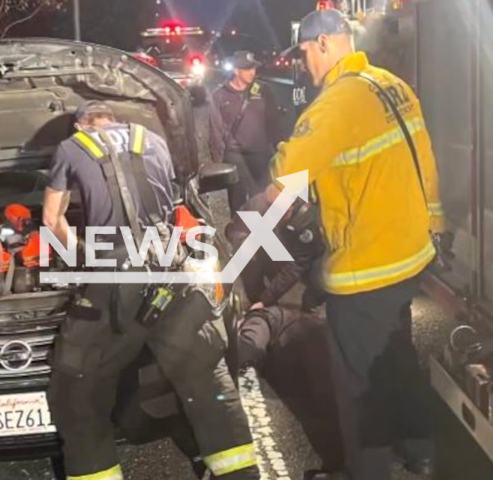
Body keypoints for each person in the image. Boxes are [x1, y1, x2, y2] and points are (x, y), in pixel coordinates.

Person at [269, 9, 446, 480]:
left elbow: (287, 177)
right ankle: (419, 450)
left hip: (366, 263)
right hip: (410, 252)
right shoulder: (392, 85)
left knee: (356, 378)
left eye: (304, 52)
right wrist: (433, 221)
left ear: (324, 44)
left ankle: (366, 470)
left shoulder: (333, 104)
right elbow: (424, 157)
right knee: (396, 356)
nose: (303, 63)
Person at [43, 100, 260, 480]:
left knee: (79, 390)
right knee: (205, 376)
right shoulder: (154, 139)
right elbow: (173, 203)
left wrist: (80, 255)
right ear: (114, 120)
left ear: (81, 126)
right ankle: (240, 474)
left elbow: (51, 219)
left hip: (116, 276)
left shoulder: (71, 148)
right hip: (172, 270)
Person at [226, 194, 344, 480]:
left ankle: (342, 466)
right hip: (302, 337)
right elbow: (236, 233)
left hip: (307, 323)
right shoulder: (259, 207)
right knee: (326, 404)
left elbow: (295, 267)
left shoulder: (309, 220)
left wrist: (263, 303)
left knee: (323, 405)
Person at [209, 51, 282, 214]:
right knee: (238, 201)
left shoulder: (263, 91)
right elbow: (215, 130)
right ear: (236, 70)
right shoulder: (219, 95)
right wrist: (217, 160)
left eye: (254, 68)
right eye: (247, 69)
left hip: (260, 155)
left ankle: (264, 236)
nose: (252, 73)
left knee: (263, 199)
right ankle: (240, 236)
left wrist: (279, 146)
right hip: (235, 155)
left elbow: (273, 122)